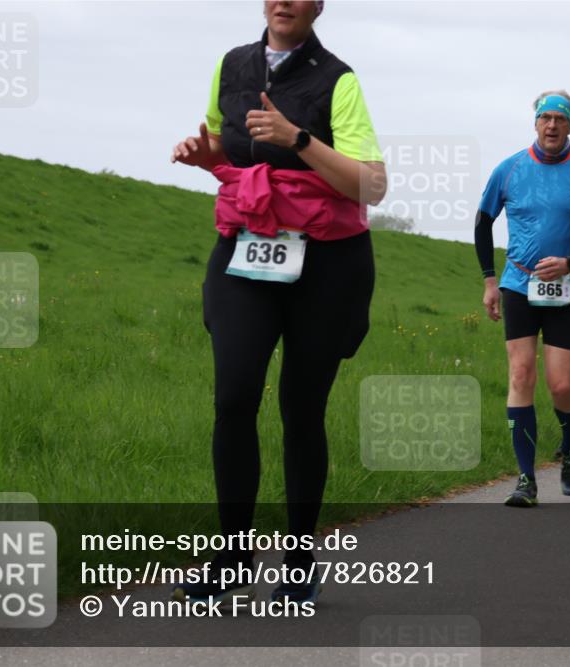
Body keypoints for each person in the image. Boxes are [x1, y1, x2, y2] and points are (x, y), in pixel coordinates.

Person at [169, 0, 386, 605]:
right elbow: (227, 149)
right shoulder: (232, 65)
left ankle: (298, 559)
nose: (284, 1)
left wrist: (299, 139)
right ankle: (233, 558)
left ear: (318, 6)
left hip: (328, 263)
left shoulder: (338, 79)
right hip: (246, 248)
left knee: (301, 408)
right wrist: (205, 156)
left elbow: (371, 184)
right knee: (234, 397)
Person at [475, 90, 570, 506]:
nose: (552, 125)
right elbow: (483, 223)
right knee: (520, 376)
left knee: (562, 384)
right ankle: (526, 479)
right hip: (519, 284)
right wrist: (489, 280)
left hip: (568, 289)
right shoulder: (510, 168)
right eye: (546, 118)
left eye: (560, 118)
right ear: (535, 122)